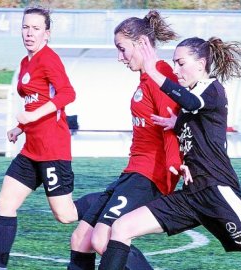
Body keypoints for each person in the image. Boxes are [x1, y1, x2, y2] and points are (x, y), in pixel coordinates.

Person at [98, 36, 241, 270]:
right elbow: (194, 136)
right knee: (122, 227)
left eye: (181, 63)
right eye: (174, 63)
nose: (176, 69)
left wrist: (153, 72)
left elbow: (192, 103)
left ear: (201, 64)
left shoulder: (212, 89)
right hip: (191, 195)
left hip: (216, 191)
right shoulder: (189, 104)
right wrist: (182, 153)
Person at [68, 10, 183, 270]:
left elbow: (170, 127)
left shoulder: (161, 76)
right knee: (81, 239)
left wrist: (174, 166)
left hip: (149, 176)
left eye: (122, 49)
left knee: (102, 239)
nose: (119, 57)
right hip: (132, 173)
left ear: (142, 43)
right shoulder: (146, 79)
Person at [0, 7, 98, 270]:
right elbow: (37, 99)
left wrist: (32, 116)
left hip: (52, 149)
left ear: (46, 34)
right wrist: (20, 128)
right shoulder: (26, 62)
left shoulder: (49, 59)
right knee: (5, 201)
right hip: (30, 150)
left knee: (66, 215)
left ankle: (106, 200)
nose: (29, 33)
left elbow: (67, 94)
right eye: (25, 27)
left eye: (36, 28)